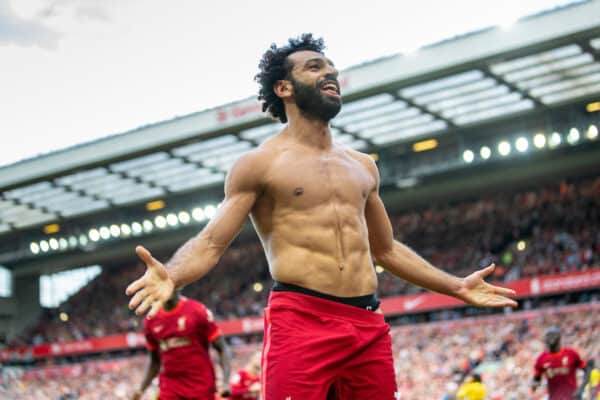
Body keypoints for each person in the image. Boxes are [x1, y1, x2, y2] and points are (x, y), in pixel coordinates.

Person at [126, 33, 517, 399]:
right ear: (284, 88)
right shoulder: (258, 164)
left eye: (330, 67)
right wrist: (173, 274)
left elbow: (386, 250)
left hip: (367, 324)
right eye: (314, 67)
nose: (329, 72)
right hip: (301, 321)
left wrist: (456, 287)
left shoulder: (362, 166)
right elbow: (212, 242)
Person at [132, 289, 232, 400]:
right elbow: (155, 362)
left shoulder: (197, 310)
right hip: (170, 387)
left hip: (200, 385)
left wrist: (226, 381)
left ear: (179, 286)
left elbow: (222, 348)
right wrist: (141, 389)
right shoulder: (151, 320)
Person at [531, 326, 588, 400]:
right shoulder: (541, 359)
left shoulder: (571, 354)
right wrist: (534, 385)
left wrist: (582, 388)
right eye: (548, 336)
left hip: (573, 397)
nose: (550, 339)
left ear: (559, 337)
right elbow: (536, 379)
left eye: (553, 335)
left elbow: (587, 371)